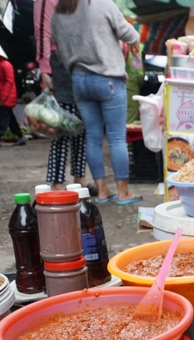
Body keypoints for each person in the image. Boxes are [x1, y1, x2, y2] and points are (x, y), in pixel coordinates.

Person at [52, 0, 143, 205]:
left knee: (92, 138)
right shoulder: (102, 4)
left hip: (78, 80)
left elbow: (59, 47)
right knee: (117, 137)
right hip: (107, 78)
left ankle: (101, 191)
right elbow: (132, 36)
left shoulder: (59, 11)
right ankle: (123, 192)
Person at [34, 0, 88, 190]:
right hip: (58, 60)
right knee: (61, 125)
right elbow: (42, 30)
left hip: (79, 60)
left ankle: (79, 176)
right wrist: (45, 68)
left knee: (81, 122)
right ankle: (57, 181)